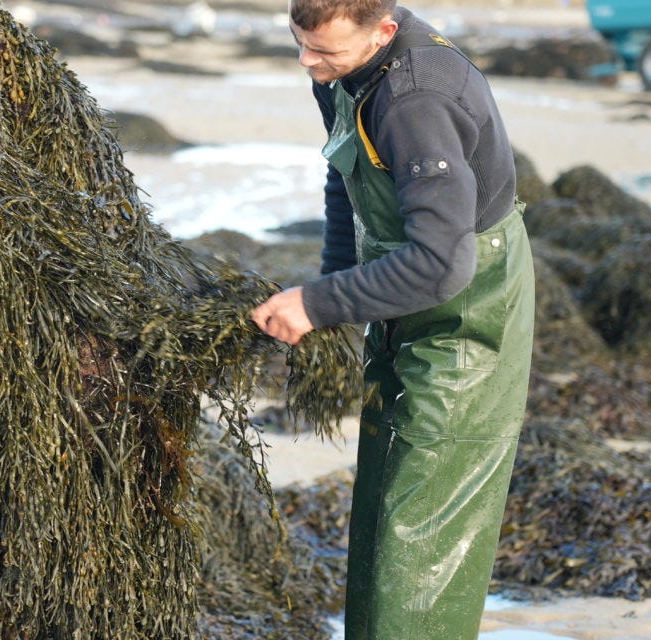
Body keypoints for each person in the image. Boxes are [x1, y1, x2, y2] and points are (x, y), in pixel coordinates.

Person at [250, 1, 535, 638]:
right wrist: (333, 286)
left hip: (469, 308)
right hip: (395, 285)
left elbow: (440, 266)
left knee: (421, 530)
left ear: (384, 29)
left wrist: (315, 303)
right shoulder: (345, 67)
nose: (307, 63)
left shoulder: (417, 102)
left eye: (324, 53)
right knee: (382, 506)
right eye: (299, 44)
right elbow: (344, 170)